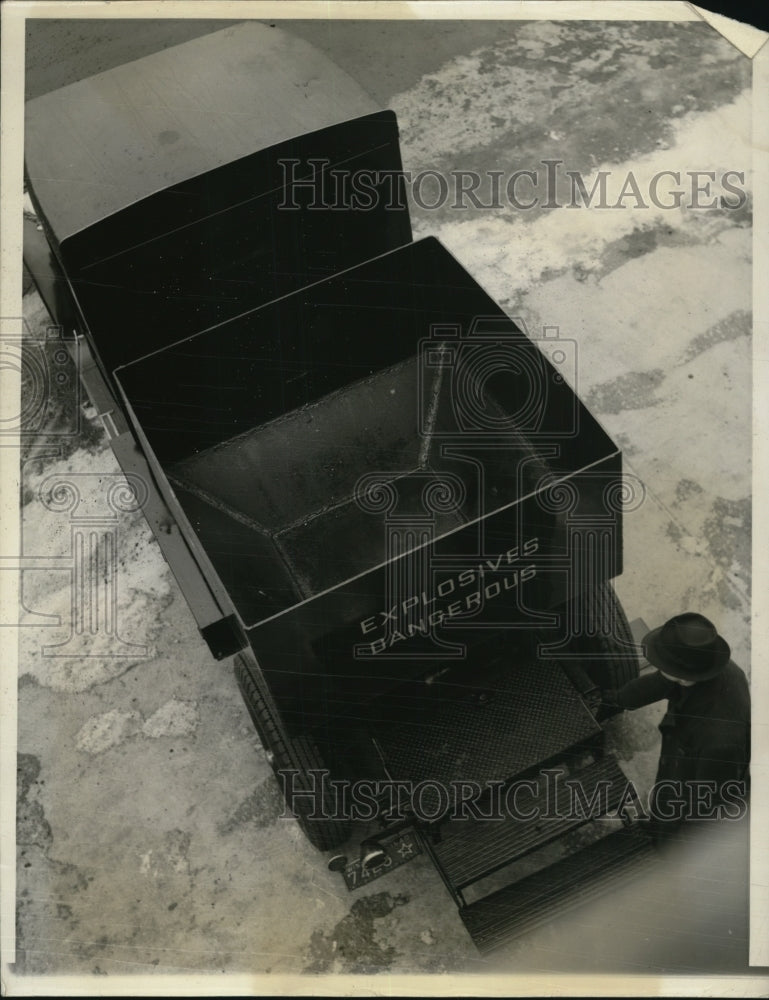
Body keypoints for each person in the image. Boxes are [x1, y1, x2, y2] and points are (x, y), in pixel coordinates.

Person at [602, 612, 750, 847]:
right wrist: (615, 700)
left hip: (701, 780)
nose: (657, 665)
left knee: (677, 826)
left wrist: (683, 849)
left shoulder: (720, 742)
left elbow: (709, 807)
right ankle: (659, 827)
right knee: (666, 802)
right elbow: (659, 683)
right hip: (683, 760)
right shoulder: (705, 667)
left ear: (684, 677)